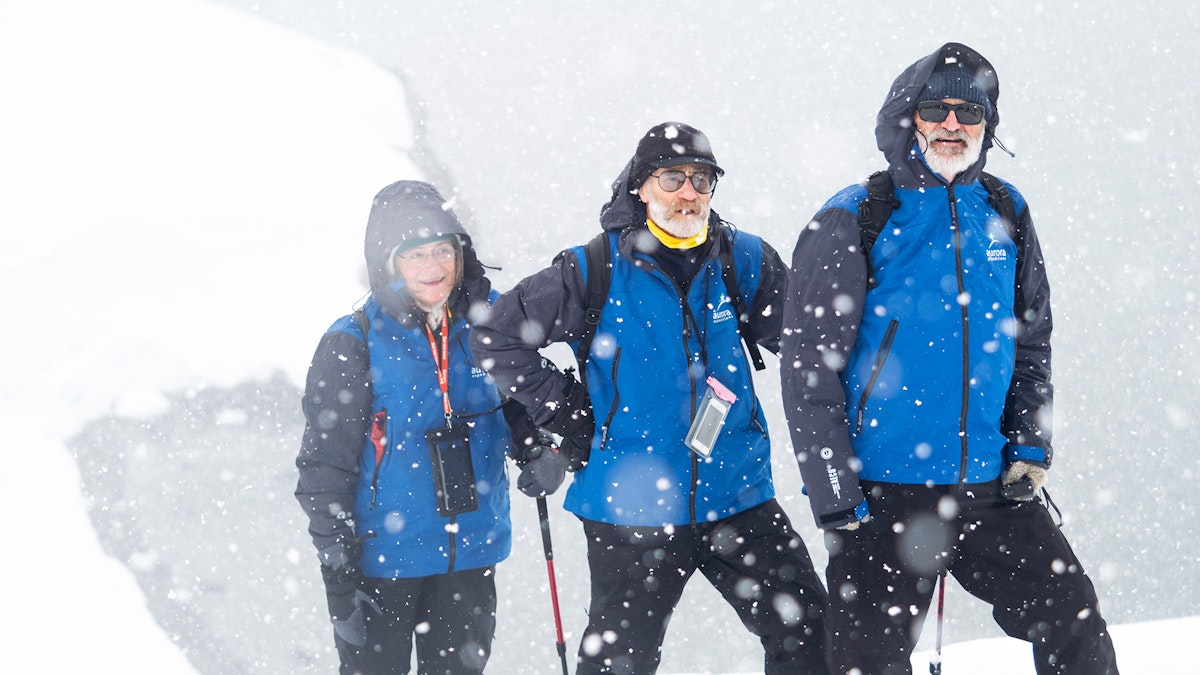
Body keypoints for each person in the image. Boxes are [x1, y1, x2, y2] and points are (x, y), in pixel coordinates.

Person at [779, 43, 1120, 674]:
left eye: (971, 111)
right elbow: (809, 367)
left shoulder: (1006, 210)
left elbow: (1031, 341)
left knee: (1074, 620)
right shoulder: (857, 215)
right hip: (882, 496)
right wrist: (833, 491)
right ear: (908, 116)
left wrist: (1028, 447)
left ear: (989, 125)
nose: (953, 124)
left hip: (990, 488)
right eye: (936, 108)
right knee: (869, 664)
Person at [470, 122, 829, 675]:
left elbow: (814, 349)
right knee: (620, 663)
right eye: (672, 178)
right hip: (629, 511)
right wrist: (568, 411)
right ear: (640, 186)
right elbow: (494, 336)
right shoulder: (592, 267)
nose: (688, 192)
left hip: (737, 493)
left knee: (809, 633)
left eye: (702, 180)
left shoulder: (745, 260)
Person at [295, 180, 549, 675]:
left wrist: (538, 448)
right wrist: (336, 563)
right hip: (382, 563)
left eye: (443, 251)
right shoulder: (353, 342)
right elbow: (324, 464)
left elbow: (519, 399)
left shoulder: (490, 321)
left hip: (470, 553)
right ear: (389, 262)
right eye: (415, 255)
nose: (434, 268)